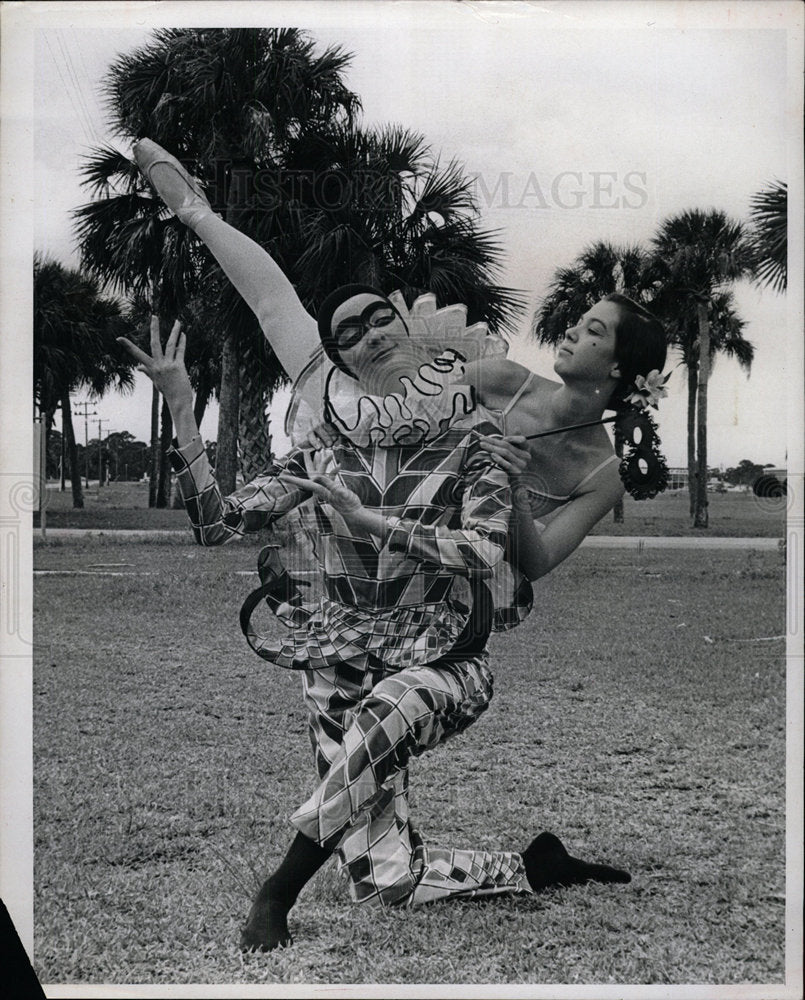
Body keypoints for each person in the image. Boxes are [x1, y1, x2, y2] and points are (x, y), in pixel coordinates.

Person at [124, 140, 664, 950]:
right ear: (336, 364)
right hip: (337, 644)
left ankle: (275, 891)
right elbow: (219, 509)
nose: (373, 338)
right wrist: (181, 408)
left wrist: (382, 521)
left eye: (384, 319)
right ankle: (533, 866)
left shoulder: (476, 452)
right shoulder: (325, 450)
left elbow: (497, 554)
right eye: (350, 334)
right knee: (384, 884)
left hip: (446, 649)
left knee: (385, 711)